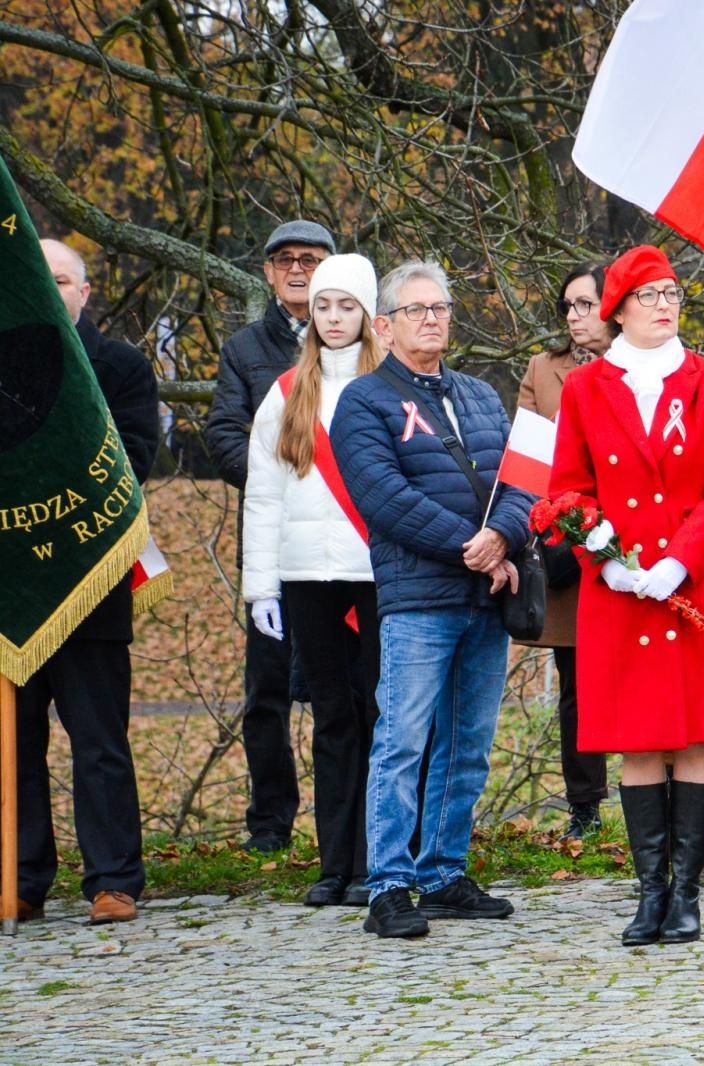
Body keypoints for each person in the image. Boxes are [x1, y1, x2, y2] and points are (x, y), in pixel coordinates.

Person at [549, 245, 704, 946]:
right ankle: (650, 894)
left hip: (690, 586)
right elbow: (568, 490)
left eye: (672, 293)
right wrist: (602, 558)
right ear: (617, 309)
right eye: (649, 296)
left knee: (696, 734)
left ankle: (689, 894)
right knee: (638, 740)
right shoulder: (585, 389)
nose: (666, 305)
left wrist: (680, 561)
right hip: (620, 592)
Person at [330, 260, 532, 938]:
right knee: (404, 740)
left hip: (486, 593)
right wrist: (469, 546)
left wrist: (501, 537)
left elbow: (523, 480)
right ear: (384, 326)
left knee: (467, 743)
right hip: (420, 598)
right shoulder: (362, 402)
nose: (433, 318)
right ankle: (388, 884)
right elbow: (384, 498)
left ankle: (443, 871)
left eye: (441, 307)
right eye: (417, 310)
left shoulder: (480, 394)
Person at [16, 239, 159, 923]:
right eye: (38, 277)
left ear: (86, 291)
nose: (51, 288)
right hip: (12, 589)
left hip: (89, 582)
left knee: (99, 742)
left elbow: (133, 461)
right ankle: (21, 878)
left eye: (64, 278)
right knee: (14, 747)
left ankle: (114, 881)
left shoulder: (122, 367)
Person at [242, 254, 383, 908]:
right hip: (306, 580)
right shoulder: (283, 393)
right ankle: (334, 864)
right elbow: (264, 498)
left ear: (366, 313)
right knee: (331, 718)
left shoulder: (388, 385)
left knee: (379, 715)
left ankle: (375, 858)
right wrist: (260, 587)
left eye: (345, 306)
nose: (332, 317)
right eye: (323, 306)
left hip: (375, 579)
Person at [204, 219, 336, 852]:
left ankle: (352, 823)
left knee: (349, 684)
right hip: (274, 544)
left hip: (345, 542)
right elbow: (223, 434)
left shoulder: (359, 345)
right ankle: (271, 824)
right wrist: (280, 482)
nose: (298, 270)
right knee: (267, 691)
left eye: (310, 259)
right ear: (266, 271)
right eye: (285, 259)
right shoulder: (245, 350)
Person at [516, 263, 612, 841]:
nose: (574, 317)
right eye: (568, 307)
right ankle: (586, 806)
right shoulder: (542, 369)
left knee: (639, 673)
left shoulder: (644, 363)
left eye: (585, 304)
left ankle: (662, 797)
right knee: (576, 681)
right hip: (567, 544)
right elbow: (525, 461)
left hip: (633, 545)